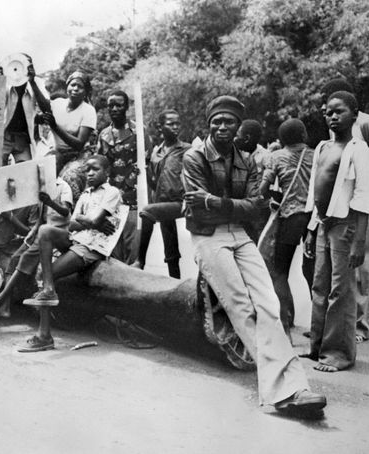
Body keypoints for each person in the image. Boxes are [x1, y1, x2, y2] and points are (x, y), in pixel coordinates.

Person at [182, 95, 326, 418]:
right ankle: (287, 391)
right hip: (209, 238)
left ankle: (287, 386)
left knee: (270, 304)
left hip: (239, 235)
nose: (222, 126)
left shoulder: (245, 161)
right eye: (216, 121)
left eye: (228, 121)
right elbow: (199, 210)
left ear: (237, 126)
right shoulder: (195, 157)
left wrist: (215, 202)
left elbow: (257, 206)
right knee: (241, 306)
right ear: (208, 124)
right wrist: (227, 206)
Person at [19, 155, 120, 352]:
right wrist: (88, 221)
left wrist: (88, 221)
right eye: (87, 170)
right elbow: (72, 224)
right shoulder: (85, 194)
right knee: (45, 231)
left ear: (107, 172)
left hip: (93, 247)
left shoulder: (112, 192)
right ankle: (49, 288)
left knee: (46, 273)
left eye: (95, 169)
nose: (89, 174)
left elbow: (98, 219)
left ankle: (44, 335)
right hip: (78, 240)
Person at [300, 91, 369, 372]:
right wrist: (309, 229)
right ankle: (318, 346)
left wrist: (359, 240)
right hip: (322, 225)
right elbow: (314, 193)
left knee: (341, 291)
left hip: (345, 226)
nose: (332, 117)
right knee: (320, 286)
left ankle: (339, 354)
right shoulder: (322, 148)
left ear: (354, 115)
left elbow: (364, 195)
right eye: (328, 112)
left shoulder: (359, 149)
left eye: (339, 111)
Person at [0, 154, 73, 318]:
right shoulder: (40, 188)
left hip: (58, 233)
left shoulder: (63, 186)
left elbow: (66, 212)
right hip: (42, 232)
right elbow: (41, 218)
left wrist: (50, 202)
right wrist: (30, 234)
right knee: (15, 258)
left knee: (25, 259)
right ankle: (5, 306)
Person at [258, 119, 314, 334]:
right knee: (312, 272)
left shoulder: (276, 157)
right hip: (313, 219)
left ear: (282, 139)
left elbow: (263, 189)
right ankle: (318, 327)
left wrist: (273, 198)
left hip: (290, 217)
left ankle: (285, 322)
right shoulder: (315, 154)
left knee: (280, 271)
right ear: (304, 135)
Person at [95, 90, 153, 266]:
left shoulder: (139, 131)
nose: (114, 108)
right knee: (113, 254)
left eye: (119, 105)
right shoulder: (104, 135)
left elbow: (148, 160)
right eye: (111, 105)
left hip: (134, 200)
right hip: (112, 202)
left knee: (134, 255)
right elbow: (99, 165)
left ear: (126, 107)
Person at [135, 109, 190, 276]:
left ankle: (140, 261)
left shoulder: (187, 149)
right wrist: (144, 173)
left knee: (147, 212)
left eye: (177, 124)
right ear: (160, 128)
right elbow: (155, 183)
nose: (175, 127)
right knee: (171, 253)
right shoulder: (155, 153)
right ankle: (176, 282)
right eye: (170, 124)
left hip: (181, 202)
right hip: (162, 202)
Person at [32, 70, 97, 172]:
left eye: (80, 87)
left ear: (85, 92)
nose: (75, 89)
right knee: (44, 171)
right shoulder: (58, 103)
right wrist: (32, 82)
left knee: (71, 176)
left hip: (79, 155)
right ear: (67, 87)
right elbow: (44, 105)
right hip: (58, 152)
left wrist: (55, 127)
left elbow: (79, 144)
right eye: (73, 85)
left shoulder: (88, 111)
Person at [0, 54, 49, 163]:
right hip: (3, 137)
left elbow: (47, 109)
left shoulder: (37, 82)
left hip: (23, 139)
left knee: (24, 173)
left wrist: (32, 82)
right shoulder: (5, 81)